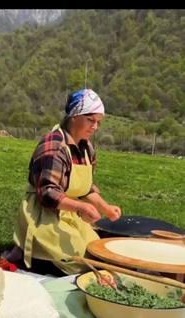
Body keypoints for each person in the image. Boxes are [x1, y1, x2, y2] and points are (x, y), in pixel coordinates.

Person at [9, 88, 121, 275]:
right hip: (44, 215)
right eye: (90, 120)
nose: (95, 127)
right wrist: (80, 208)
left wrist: (106, 208)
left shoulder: (86, 148)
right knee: (80, 263)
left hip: (69, 214)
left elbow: (85, 188)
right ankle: (33, 256)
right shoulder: (54, 146)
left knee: (98, 253)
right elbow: (47, 193)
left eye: (98, 122)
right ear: (74, 117)